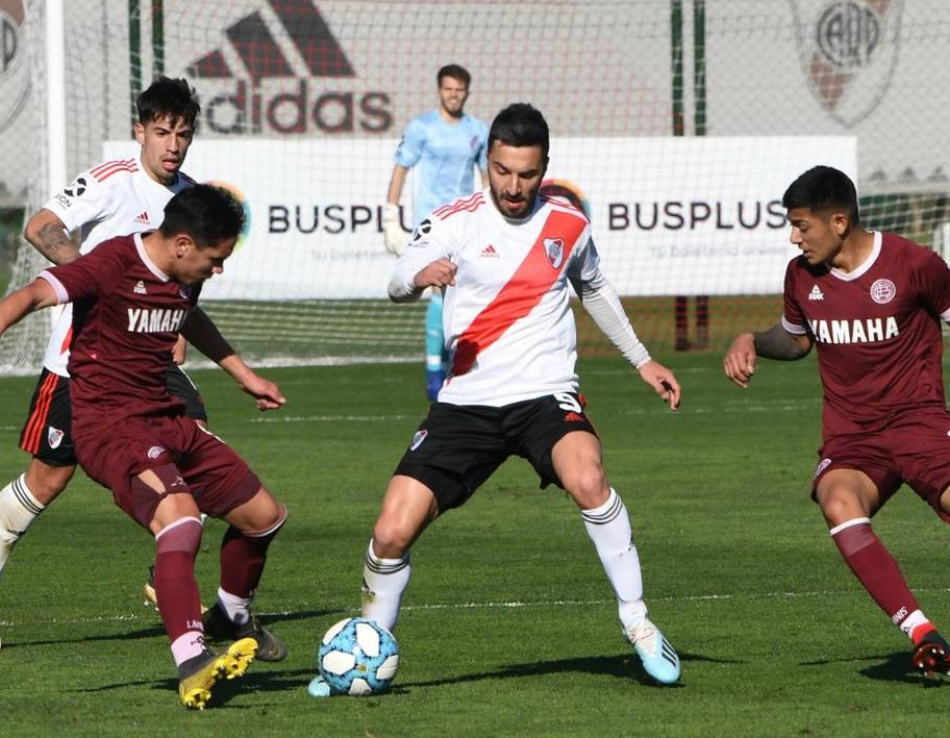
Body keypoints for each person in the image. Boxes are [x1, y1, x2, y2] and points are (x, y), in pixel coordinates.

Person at [310, 104, 684, 696]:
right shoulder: (454, 220)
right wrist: (420, 276)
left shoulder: (568, 224)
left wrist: (642, 359)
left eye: (526, 174)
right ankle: (365, 650)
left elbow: (594, 288)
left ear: (544, 168)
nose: (513, 186)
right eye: (503, 171)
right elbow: (397, 279)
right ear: (487, 162)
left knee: (588, 479)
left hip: (544, 396)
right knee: (391, 531)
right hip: (466, 404)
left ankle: (638, 622)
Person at [0, 185, 288, 708]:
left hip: (165, 415)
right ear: (182, 244)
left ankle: (231, 613)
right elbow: (31, 296)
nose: (219, 269)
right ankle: (192, 661)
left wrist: (243, 374)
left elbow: (188, 316)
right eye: (215, 259)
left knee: (264, 516)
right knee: (180, 520)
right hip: (109, 426)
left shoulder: (185, 277)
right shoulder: (111, 264)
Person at [723, 165, 950, 681]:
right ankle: (922, 633)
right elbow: (797, 340)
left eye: (802, 225)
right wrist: (751, 339)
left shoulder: (914, 263)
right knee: (838, 501)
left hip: (921, 424)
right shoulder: (800, 276)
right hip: (853, 438)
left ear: (839, 221)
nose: (794, 237)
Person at [0, 78, 210, 615]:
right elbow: (41, 227)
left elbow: (182, 276)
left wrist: (176, 325)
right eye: (162, 132)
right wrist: (102, 281)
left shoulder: (191, 197)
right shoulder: (112, 180)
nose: (173, 146)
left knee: (196, 446)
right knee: (48, 479)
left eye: (183, 135)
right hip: (80, 361)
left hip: (149, 362)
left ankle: (169, 576)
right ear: (140, 132)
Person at [382, 63, 489, 402]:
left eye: (459, 90)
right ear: (440, 90)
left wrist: (490, 216)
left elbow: (486, 176)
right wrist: (391, 216)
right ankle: (433, 374)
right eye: (448, 89)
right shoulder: (422, 127)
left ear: (466, 92)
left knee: (461, 293)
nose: (453, 95)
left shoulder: (478, 130)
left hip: (465, 222)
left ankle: (455, 366)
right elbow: (401, 169)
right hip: (431, 223)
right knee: (437, 291)